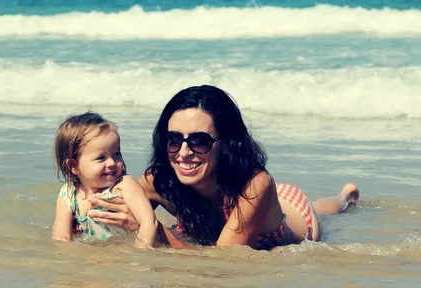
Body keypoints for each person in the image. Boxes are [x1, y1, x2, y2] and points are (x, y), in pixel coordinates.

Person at [86, 85, 359, 250]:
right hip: (259, 204)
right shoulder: (159, 180)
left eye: (199, 141)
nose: (183, 153)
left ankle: (345, 196)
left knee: (325, 211)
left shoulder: (256, 185)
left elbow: (220, 262)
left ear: (226, 142)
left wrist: (153, 228)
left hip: (293, 214)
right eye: (173, 140)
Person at [51, 112, 158, 248]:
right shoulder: (69, 194)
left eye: (116, 154)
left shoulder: (124, 185)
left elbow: (149, 222)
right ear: (74, 165)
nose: (112, 163)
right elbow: (61, 236)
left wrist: (138, 256)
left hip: (126, 253)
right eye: (101, 157)